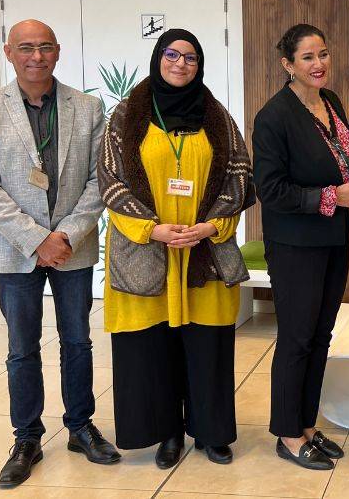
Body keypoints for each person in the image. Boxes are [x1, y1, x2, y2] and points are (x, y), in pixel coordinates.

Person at [98, 29, 254, 468]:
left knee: (207, 346)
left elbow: (239, 176)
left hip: (203, 248)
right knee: (152, 348)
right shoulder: (126, 115)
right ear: (157, 57)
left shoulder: (216, 115)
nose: (181, 63)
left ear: (199, 65)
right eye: (172, 54)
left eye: (190, 57)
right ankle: (165, 433)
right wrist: (153, 230)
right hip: (146, 249)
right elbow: (110, 179)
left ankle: (210, 431)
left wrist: (212, 225)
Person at [0, 19, 119, 488]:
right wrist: (36, 239)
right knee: (22, 348)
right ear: (8, 52)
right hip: (15, 248)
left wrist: (66, 235)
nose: (35, 57)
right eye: (25, 48)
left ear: (57, 51)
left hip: (71, 246)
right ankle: (27, 438)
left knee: (77, 340)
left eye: (44, 47)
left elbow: (100, 179)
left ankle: (80, 427)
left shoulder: (88, 107)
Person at [253, 23, 349, 471]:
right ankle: (287, 432)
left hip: (333, 236)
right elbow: (270, 190)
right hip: (295, 244)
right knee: (297, 338)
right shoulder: (274, 116)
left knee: (320, 335)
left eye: (323, 54)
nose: (319, 64)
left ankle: (307, 423)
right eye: (307, 57)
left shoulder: (330, 101)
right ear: (288, 64)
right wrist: (330, 197)